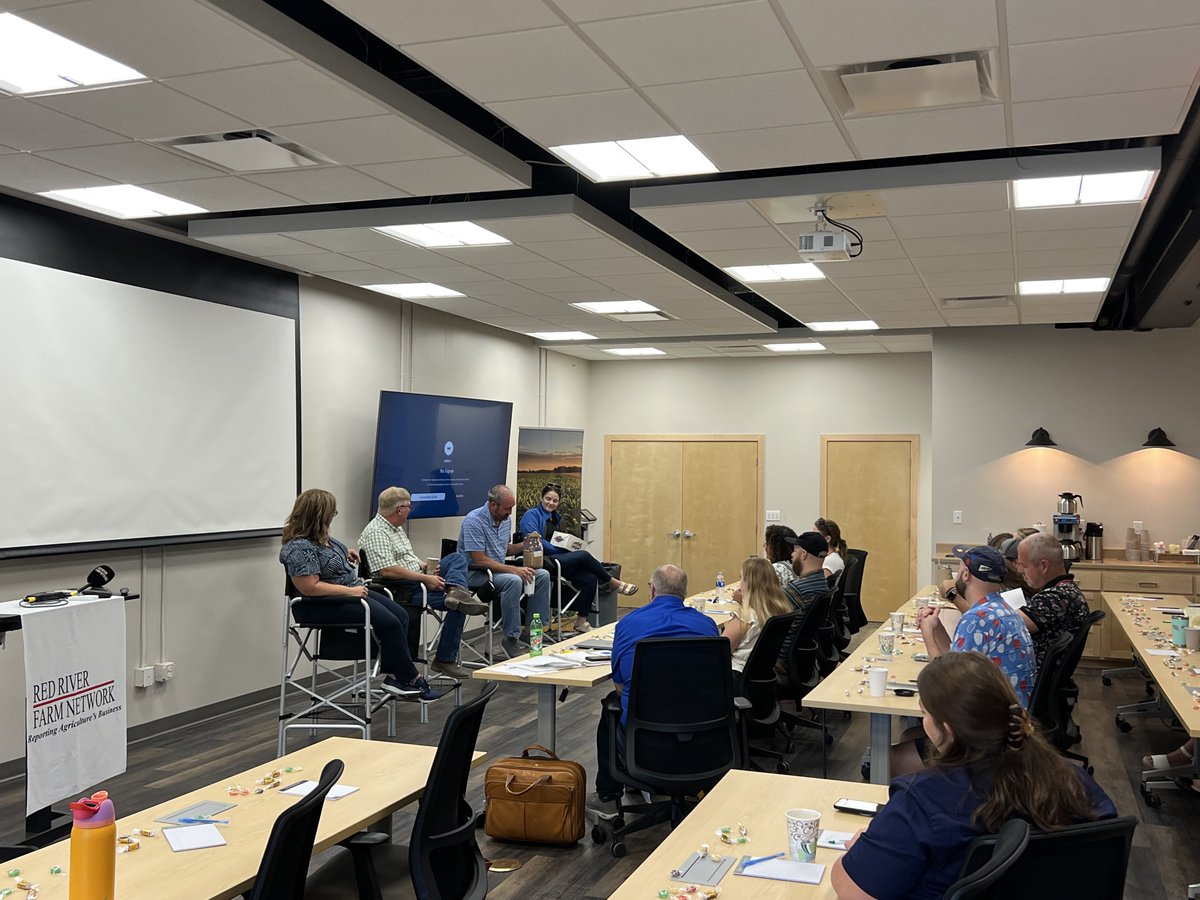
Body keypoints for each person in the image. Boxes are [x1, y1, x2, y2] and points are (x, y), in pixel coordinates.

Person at [832, 652, 1117, 900]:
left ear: (946, 728)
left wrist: (864, 849)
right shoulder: (1076, 782)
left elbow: (853, 892)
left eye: (925, 714)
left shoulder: (923, 800)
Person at [279, 489, 444, 702]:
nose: (333, 516)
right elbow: (310, 587)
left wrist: (344, 552)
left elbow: (325, 557)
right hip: (319, 605)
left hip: (349, 594)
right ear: (319, 515)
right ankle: (410, 677)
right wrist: (350, 591)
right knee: (390, 623)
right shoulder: (298, 548)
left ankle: (394, 677)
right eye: (332, 512)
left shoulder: (321, 538)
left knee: (401, 615)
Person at [587, 564, 718, 819]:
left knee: (611, 706)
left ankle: (608, 797)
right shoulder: (707, 625)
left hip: (645, 742)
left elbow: (621, 687)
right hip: (705, 740)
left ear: (652, 590)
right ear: (684, 592)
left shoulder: (629, 624)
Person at [358, 486, 490, 680]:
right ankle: (445, 658)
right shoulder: (377, 532)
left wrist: (424, 566)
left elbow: (407, 558)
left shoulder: (395, 528)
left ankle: (455, 591)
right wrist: (425, 578)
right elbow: (387, 570)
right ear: (399, 509)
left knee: (457, 558)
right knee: (460, 607)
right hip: (401, 589)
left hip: (415, 579)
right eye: (409, 506)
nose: (411, 510)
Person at [917, 545, 1036, 707]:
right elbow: (953, 661)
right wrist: (936, 629)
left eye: (958, 570)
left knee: (918, 724)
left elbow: (945, 684)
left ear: (966, 574)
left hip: (993, 721)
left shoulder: (978, 618)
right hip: (1014, 716)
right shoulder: (1004, 609)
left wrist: (927, 635)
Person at [518, 482, 638, 633]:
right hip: (541, 560)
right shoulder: (531, 515)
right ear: (541, 498)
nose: (551, 503)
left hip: (559, 560)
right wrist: (562, 551)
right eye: (548, 499)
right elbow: (536, 541)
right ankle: (612, 582)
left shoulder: (558, 518)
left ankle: (581, 621)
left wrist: (570, 546)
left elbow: (561, 538)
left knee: (589, 578)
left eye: (555, 501)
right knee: (584, 556)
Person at [460, 484, 552, 659]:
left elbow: (505, 550)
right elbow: (479, 559)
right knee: (514, 580)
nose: (510, 512)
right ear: (493, 505)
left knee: (541, 575)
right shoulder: (474, 520)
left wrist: (525, 544)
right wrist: (514, 570)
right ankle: (511, 638)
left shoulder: (505, 520)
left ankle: (534, 630)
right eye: (507, 508)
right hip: (476, 573)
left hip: (498, 570)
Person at [1015, 532, 1090, 671]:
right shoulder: (1067, 591)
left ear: (1043, 566)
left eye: (1024, 566)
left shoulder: (1056, 598)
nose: (1020, 571)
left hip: (1032, 675)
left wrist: (961, 598)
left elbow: (1003, 623)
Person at [724, 556, 794, 672]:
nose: (739, 583)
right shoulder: (781, 610)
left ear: (750, 583)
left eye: (741, 578)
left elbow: (720, 652)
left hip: (735, 674)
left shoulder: (744, 617)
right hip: (761, 674)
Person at [784, 531, 831, 608]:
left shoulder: (795, 591)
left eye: (795, 550)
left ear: (804, 554)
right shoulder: (823, 583)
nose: (792, 554)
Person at [815, 516, 847, 582]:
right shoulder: (827, 558)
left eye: (815, 535)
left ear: (827, 539)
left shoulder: (830, 561)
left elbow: (821, 588)